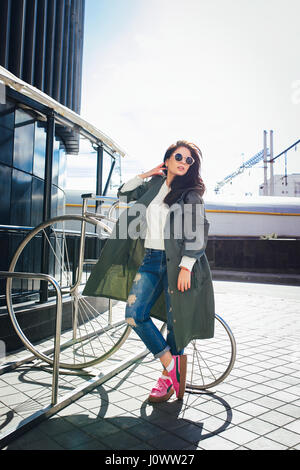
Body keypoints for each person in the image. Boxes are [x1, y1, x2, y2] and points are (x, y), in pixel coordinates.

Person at [83, 140, 215, 403]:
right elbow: (124, 192)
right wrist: (146, 174)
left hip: (178, 264)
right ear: (166, 159)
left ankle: (167, 380)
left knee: (174, 320)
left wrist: (186, 266)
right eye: (178, 156)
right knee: (134, 314)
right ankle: (171, 365)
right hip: (151, 260)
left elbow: (197, 230)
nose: (183, 162)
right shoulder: (153, 186)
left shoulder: (191, 193)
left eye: (189, 160)